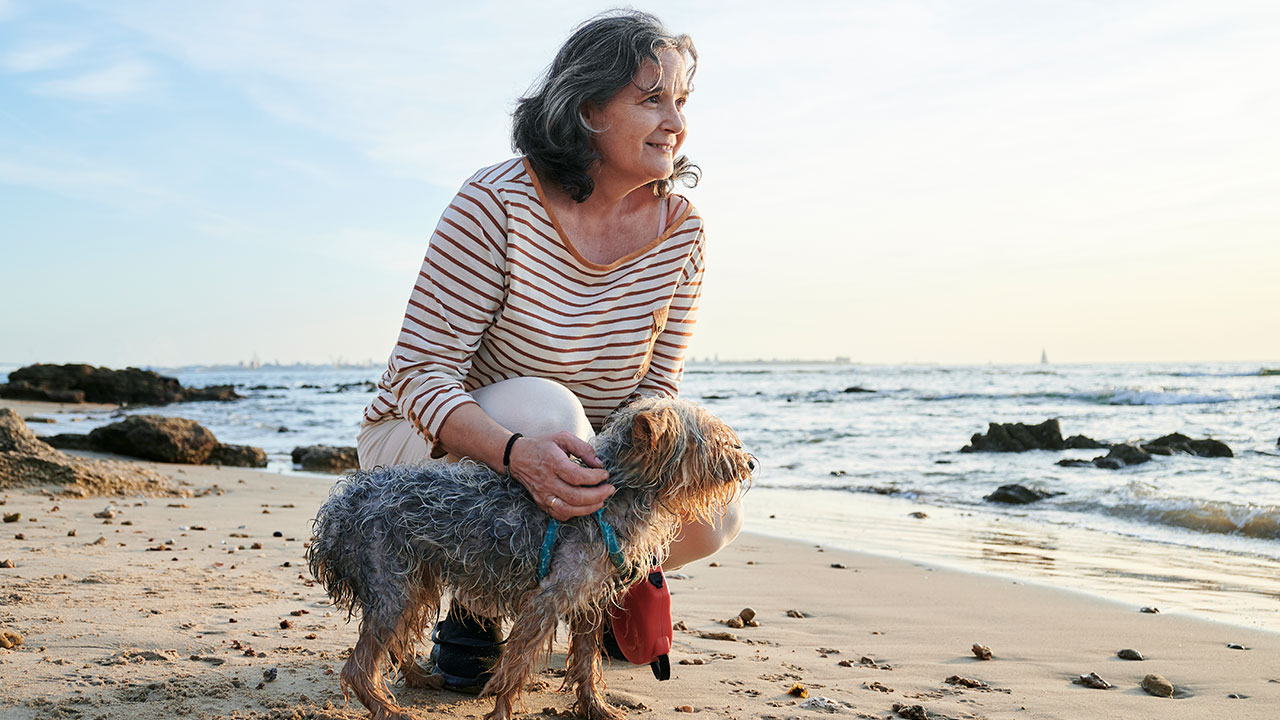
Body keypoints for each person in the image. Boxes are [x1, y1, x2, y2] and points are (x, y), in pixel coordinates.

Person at [355, 9, 741, 691]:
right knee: (548, 410)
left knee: (715, 512)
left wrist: (628, 493)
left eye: (682, 101)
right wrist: (514, 454)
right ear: (588, 108)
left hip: (576, 457)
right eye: (652, 99)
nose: (675, 122)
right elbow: (419, 375)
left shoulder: (683, 233)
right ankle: (475, 596)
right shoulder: (495, 202)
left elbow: (657, 395)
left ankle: (579, 585)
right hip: (430, 447)